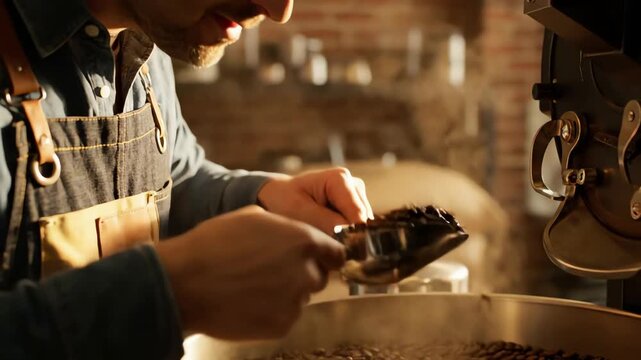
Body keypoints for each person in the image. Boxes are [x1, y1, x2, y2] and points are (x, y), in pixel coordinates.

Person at [0, 0, 374, 358]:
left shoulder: (148, 33)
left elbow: (175, 180)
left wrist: (268, 199)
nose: (279, 10)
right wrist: (170, 293)